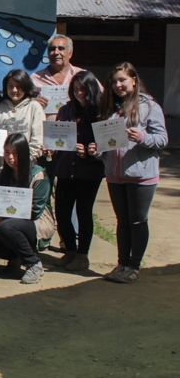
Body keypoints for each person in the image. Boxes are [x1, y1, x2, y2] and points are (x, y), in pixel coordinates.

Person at [91, 62, 168, 284]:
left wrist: (142, 137)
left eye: (122, 80)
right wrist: (98, 151)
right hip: (115, 175)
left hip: (141, 175)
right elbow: (107, 144)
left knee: (137, 221)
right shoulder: (109, 108)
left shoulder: (149, 106)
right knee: (122, 221)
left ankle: (134, 267)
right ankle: (121, 264)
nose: (118, 85)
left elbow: (162, 139)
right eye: (114, 81)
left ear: (134, 80)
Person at [0, 133, 54, 284]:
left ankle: (33, 263)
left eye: (15, 153)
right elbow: (0, 207)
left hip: (36, 222)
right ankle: (15, 256)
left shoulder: (38, 175)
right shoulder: (1, 175)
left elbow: (35, 211)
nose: (10, 157)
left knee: (6, 226)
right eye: (7, 152)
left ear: (24, 153)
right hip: (10, 222)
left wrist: (2, 219)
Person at [51, 71, 105, 273]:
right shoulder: (66, 110)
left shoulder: (100, 112)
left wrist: (90, 152)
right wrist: (52, 146)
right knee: (62, 213)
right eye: (75, 89)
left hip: (89, 172)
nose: (79, 93)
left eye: (83, 89)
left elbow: (106, 143)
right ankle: (70, 251)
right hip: (66, 168)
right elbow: (57, 136)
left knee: (84, 212)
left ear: (91, 90)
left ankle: (82, 255)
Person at [0, 69, 45, 169]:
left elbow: (38, 140)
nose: (14, 90)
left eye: (19, 86)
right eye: (10, 86)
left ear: (26, 87)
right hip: (0, 167)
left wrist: (25, 160)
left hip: (24, 167)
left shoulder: (34, 107)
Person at [32, 34, 88, 121]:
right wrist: (32, 103)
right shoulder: (35, 78)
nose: (56, 52)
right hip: (45, 129)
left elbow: (100, 98)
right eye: (52, 49)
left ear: (70, 54)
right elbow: (20, 105)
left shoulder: (83, 75)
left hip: (78, 128)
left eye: (61, 48)